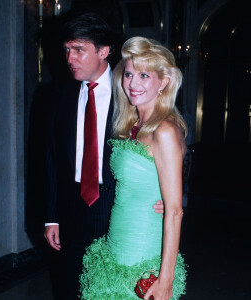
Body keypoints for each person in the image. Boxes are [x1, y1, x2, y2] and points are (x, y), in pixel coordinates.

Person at [43, 14, 164, 300]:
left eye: (78, 49)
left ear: (103, 51)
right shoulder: (58, 96)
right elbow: (49, 158)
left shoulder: (133, 92)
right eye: (67, 50)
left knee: (112, 289)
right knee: (70, 287)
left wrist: (164, 194)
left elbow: (165, 140)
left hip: (118, 206)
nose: (70, 58)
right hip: (71, 206)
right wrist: (51, 216)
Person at [80, 36, 188, 300]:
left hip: (142, 248)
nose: (133, 83)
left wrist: (165, 280)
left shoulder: (164, 130)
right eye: (129, 74)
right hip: (117, 244)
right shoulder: (133, 126)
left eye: (144, 75)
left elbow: (174, 211)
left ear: (163, 82)